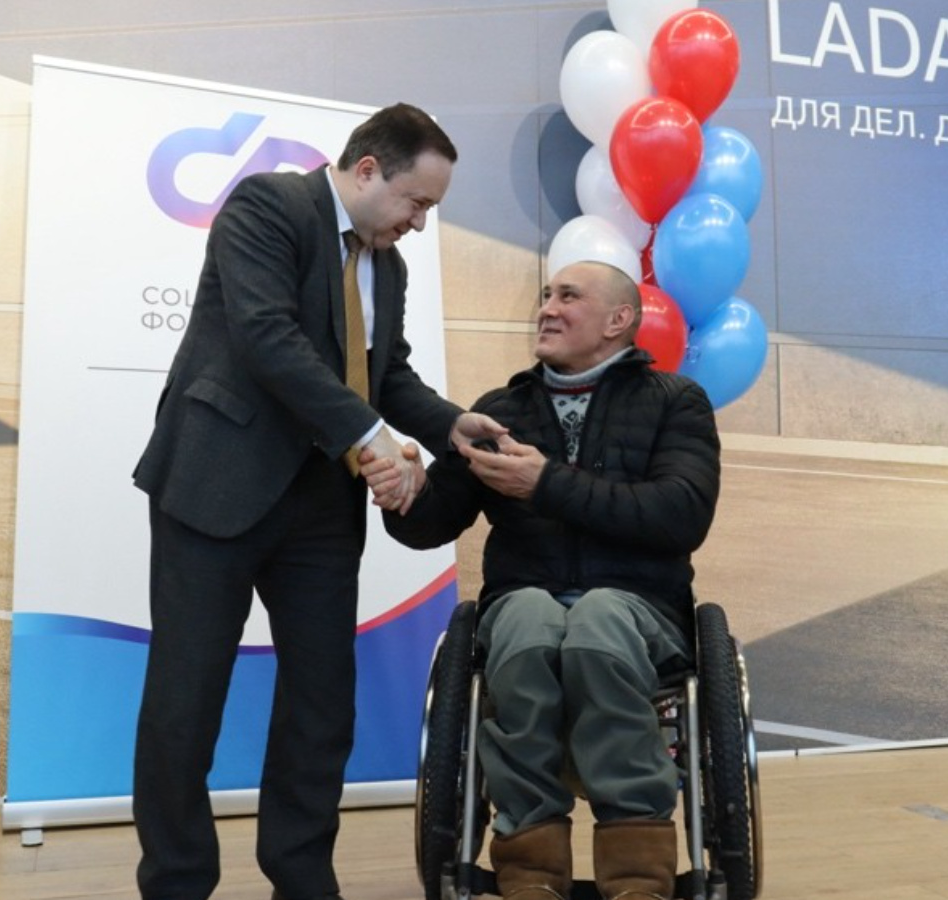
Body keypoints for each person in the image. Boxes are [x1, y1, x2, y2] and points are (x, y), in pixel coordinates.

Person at [132, 102, 503, 900]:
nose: (419, 223)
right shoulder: (268, 206)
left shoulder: (387, 267)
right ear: (368, 170)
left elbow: (385, 373)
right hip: (217, 485)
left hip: (322, 508)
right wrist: (371, 440)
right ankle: (177, 882)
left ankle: (302, 879)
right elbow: (269, 340)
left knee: (322, 703)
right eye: (416, 202)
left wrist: (448, 425)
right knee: (185, 701)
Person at [384, 261, 722, 900]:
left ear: (619, 320)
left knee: (597, 622)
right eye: (546, 295)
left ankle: (637, 873)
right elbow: (434, 522)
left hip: (641, 608)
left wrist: (546, 484)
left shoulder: (675, 401)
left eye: (568, 296)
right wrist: (406, 494)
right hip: (525, 599)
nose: (546, 308)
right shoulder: (500, 410)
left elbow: (682, 513)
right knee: (529, 624)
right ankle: (531, 868)